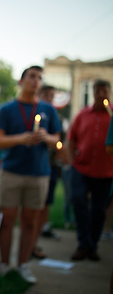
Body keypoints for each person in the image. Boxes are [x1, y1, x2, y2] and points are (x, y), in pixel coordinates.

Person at [0, 65, 61, 283]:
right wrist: (21, 138)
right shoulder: (6, 109)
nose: (36, 80)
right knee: (8, 219)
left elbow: (58, 141)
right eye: (32, 76)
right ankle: (4, 263)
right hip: (12, 171)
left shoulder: (49, 110)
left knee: (30, 221)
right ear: (21, 81)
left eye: (39, 77)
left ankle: (23, 264)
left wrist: (47, 138)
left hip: (39, 173)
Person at [67, 79, 113, 260]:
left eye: (104, 91)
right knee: (78, 200)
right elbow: (71, 139)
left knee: (99, 209)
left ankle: (92, 245)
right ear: (93, 92)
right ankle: (83, 242)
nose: (101, 95)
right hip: (81, 168)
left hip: (106, 171)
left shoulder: (112, 115)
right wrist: (71, 162)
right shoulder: (82, 115)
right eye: (97, 91)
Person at [30, 85, 61, 260]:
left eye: (52, 95)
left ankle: (36, 240)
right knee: (32, 211)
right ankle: (31, 246)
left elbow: (57, 139)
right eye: (47, 95)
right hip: (32, 168)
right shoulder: (37, 110)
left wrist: (50, 140)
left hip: (49, 166)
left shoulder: (52, 113)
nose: (49, 98)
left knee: (45, 204)